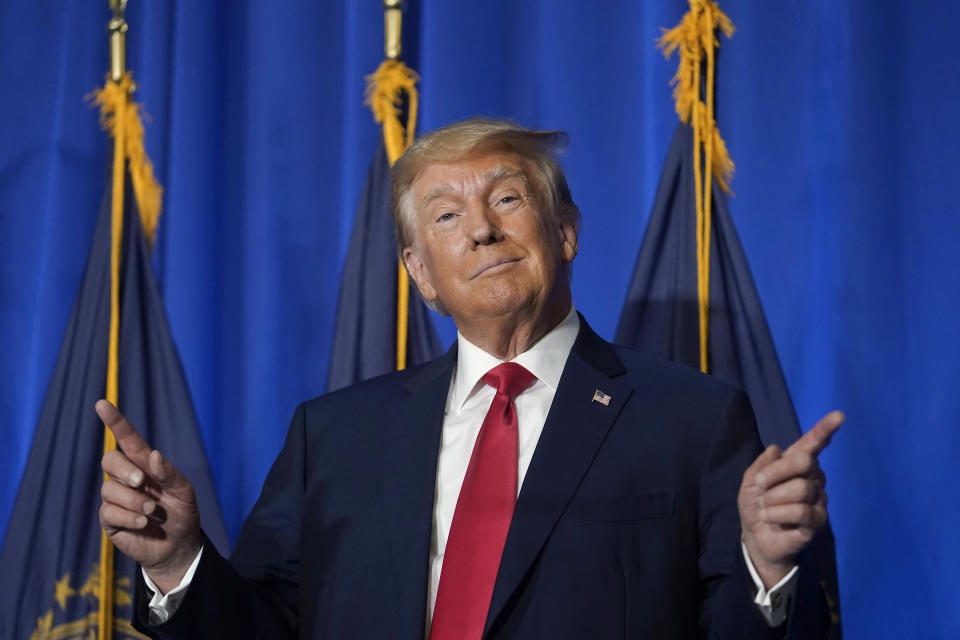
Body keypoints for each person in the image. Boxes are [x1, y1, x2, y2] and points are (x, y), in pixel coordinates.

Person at [98, 118, 842, 639]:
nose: (481, 228)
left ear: (567, 231)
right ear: (420, 273)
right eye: (446, 215)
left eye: (508, 198)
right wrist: (176, 562)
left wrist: (766, 567)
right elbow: (261, 630)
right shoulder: (333, 436)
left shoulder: (693, 420)